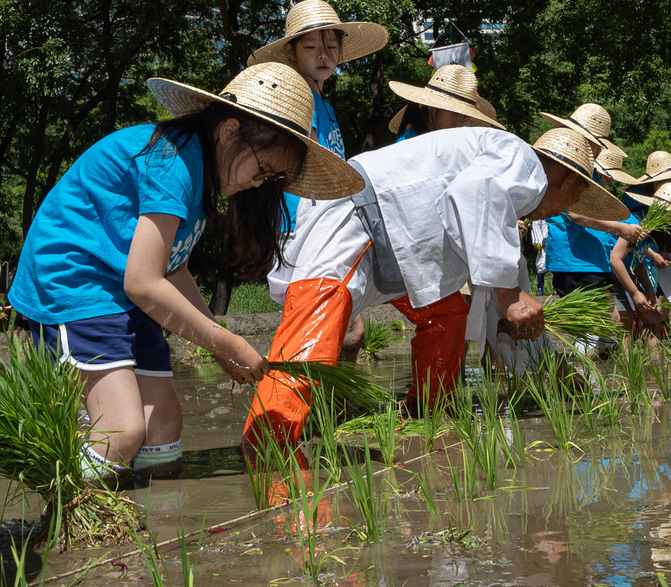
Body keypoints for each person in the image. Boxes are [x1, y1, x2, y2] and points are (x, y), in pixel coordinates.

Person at [10, 63, 362, 474]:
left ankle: (154, 520)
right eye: (263, 169)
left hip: (122, 291)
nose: (260, 182)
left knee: (164, 429)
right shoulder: (172, 162)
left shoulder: (201, 173)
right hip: (77, 282)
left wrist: (216, 337)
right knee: (123, 432)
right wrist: (222, 343)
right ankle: (68, 510)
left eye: (273, 177)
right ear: (230, 131)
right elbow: (144, 282)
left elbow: (174, 271)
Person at [246, 122, 628, 446]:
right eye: (574, 197)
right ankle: (267, 447)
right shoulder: (523, 161)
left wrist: (551, 363)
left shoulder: (505, 193)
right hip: (354, 227)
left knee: (446, 315)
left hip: (391, 240)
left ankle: (428, 413)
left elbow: (506, 295)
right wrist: (510, 295)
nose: (564, 210)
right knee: (308, 346)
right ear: (565, 178)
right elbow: (475, 194)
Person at [249, 0, 390, 159]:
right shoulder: (299, 98)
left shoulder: (326, 105)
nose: (323, 54)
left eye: (331, 47)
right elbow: (316, 160)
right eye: (311, 46)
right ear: (290, 51)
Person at [536, 106, 642, 297]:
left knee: (609, 321)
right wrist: (620, 229)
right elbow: (576, 214)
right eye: (595, 144)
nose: (599, 150)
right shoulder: (567, 166)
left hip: (593, 260)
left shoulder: (589, 171)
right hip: (575, 261)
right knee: (606, 321)